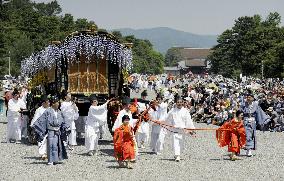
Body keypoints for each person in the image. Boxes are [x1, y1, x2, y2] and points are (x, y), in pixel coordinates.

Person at [33, 96, 70, 165]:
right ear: (53, 104)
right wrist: (36, 127)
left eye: (58, 102)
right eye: (57, 102)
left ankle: (55, 159)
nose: (58, 104)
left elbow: (63, 120)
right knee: (51, 145)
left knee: (56, 145)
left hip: (57, 131)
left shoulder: (59, 112)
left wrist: (66, 127)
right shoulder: (48, 111)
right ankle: (50, 160)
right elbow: (41, 120)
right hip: (51, 131)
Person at [165, 96, 195, 162]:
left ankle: (178, 154)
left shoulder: (185, 111)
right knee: (175, 143)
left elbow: (189, 121)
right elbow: (168, 120)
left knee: (181, 145)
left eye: (181, 102)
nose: (179, 103)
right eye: (178, 102)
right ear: (176, 103)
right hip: (175, 131)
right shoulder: (172, 111)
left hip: (182, 131)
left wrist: (191, 130)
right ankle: (177, 155)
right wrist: (167, 127)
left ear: (183, 103)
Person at [30, 95, 50, 160]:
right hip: (41, 128)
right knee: (41, 141)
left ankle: (47, 153)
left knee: (48, 141)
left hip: (48, 128)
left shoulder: (50, 109)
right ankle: (42, 154)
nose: (49, 103)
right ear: (43, 103)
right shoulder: (39, 110)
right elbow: (35, 118)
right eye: (47, 102)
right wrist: (32, 126)